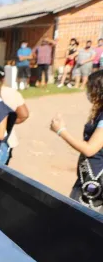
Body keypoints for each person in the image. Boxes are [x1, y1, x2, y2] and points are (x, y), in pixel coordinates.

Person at [50, 70, 103, 211]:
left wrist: (61, 131)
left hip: (95, 181)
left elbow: (90, 149)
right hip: (88, 176)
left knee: (82, 222)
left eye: (89, 88)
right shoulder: (99, 112)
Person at [0, 65, 30, 164]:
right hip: (7, 139)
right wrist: (8, 122)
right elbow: (24, 114)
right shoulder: (12, 92)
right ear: (3, 78)